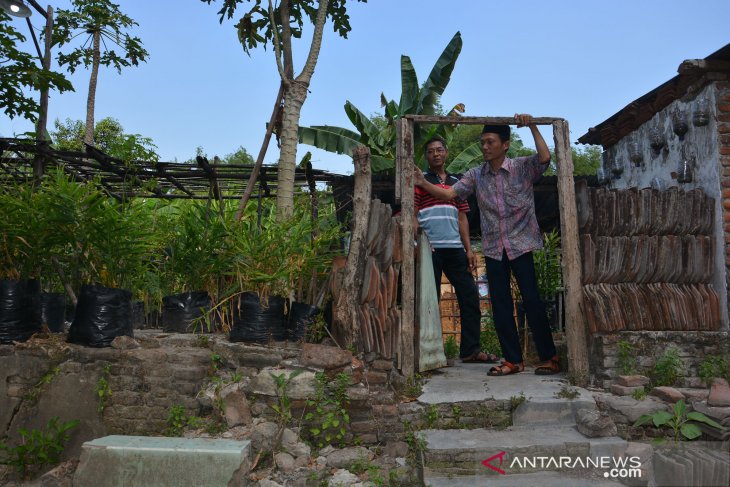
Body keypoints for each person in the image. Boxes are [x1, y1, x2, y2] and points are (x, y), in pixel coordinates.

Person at [414, 114, 560, 376]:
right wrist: (423, 183)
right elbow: (449, 194)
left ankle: (550, 357)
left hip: (521, 245)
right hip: (494, 249)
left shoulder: (521, 167)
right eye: (482, 142)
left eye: (489, 142)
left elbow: (545, 158)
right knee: (501, 305)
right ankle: (513, 360)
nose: (484, 147)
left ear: (505, 144)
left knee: (532, 301)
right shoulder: (475, 175)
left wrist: (533, 126)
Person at [416, 136, 497, 363]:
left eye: (439, 150)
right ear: (426, 156)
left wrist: (469, 249)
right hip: (429, 249)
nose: (435, 154)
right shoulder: (419, 180)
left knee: (470, 296)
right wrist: (416, 245)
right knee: (428, 302)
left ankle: (470, 350)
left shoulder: (457, 182)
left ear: (447, 152)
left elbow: (462, 217)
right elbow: (412, 214)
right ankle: (428, 354)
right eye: (430, 151)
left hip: (455, 249)